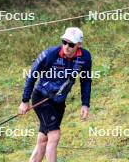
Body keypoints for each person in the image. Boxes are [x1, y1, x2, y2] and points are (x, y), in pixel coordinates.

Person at [18, 27, 92, 162]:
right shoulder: (50, 54)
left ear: (79, 45)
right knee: (54, 135)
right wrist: (25, 100)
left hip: (59, 102)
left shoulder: (85, 58)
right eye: (64, 42)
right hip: (41, 98)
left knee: (43, 139)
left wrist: (85, 104)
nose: (66, 47)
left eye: (71, 44)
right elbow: (32, 75)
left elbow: (86, 80)